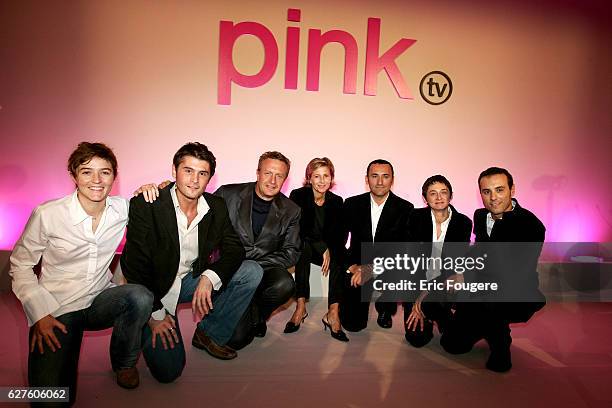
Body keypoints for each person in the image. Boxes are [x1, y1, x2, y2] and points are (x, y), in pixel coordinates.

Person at [9, 142, 153, 405]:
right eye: (87, 172)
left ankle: (124, 363)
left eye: (105, 172)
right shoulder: (48, 214)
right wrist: (39, 312)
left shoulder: (123, 209)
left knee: (140, 296)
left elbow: (162, 205)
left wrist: (158, 186)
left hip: (100, 300)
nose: (97, 180)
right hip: (58, 307)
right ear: (74, 176)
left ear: (114, 176)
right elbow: (20, 264)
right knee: (50, 400)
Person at [120, 142, 262, 384]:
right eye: (188, 171)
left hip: (188, 281)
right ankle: (132, 333)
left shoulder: (215, 206)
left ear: (209, 179)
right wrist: (155, 313)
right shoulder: (147, 203)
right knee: (169, 372)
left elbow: (234, 248)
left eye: (202, 173)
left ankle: (208, 334)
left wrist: (209, 276)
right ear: (174, 171)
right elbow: (135, 267)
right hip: (153, 291)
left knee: (251, 271)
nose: (194, 180)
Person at [440, 167, 546, 372]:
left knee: (493, 299)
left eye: (499, 190)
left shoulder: (530, 226)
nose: (493, 198)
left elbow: (511, 273)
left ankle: (500, 342)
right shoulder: (480, 216)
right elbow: (479, 251)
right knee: (452, 345)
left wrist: (467, 280)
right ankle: (479, 325)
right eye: (486, 192)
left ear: (512, 190)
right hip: (481, 288)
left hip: (512, 292)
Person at [214, 151, 301, 349]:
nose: (273, 180)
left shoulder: (291, 210)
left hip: (263, 269)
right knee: (237, 340)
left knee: (285, 284)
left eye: (279, 175)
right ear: (258, 173)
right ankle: (245, 315)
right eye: (268, 173)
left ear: (285, 179)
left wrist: (252, 266)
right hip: (226, 269)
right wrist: (168, 189)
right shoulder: (227, 194)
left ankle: (257, 314)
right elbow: (196, 211)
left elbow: (292, 252)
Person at [340, 159, 414, 332]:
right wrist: (351, 266)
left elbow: (404, 248)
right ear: (367, 180)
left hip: (389, 265)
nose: (380, 182)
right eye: (375, 176)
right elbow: (339, 239)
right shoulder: (351, 204)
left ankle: (385, 308)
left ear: (392, 179)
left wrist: (373, 267)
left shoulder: (405, 208)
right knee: (353, 325)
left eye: (385, 176)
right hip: (358, 263)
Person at [403, 175, 472, 347]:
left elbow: (455, 265)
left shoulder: (463, 222)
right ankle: (429, 313)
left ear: (451, 195)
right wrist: (414, 301)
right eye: (433, 193)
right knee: (416, 339)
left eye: (444, 192)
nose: (439, 197)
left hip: (444, 282)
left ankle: (442, 315)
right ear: (425, 197)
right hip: (417, 282)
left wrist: (424, 295)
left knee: (453, 341)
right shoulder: (414, 217)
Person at [286, 158, 348, 341]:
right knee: (303, 247)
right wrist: (322, 247)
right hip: (305, 247)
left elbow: (340, 234)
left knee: (339, 252)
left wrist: (329, 248)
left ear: (331, 178)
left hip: (327, 250)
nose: (322, 181)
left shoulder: (337, 201)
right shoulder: (298, 195)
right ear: (309, 178)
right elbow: (300, 228)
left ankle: (333, 313)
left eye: (326, 176)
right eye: (317, 176)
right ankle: (300, 307)